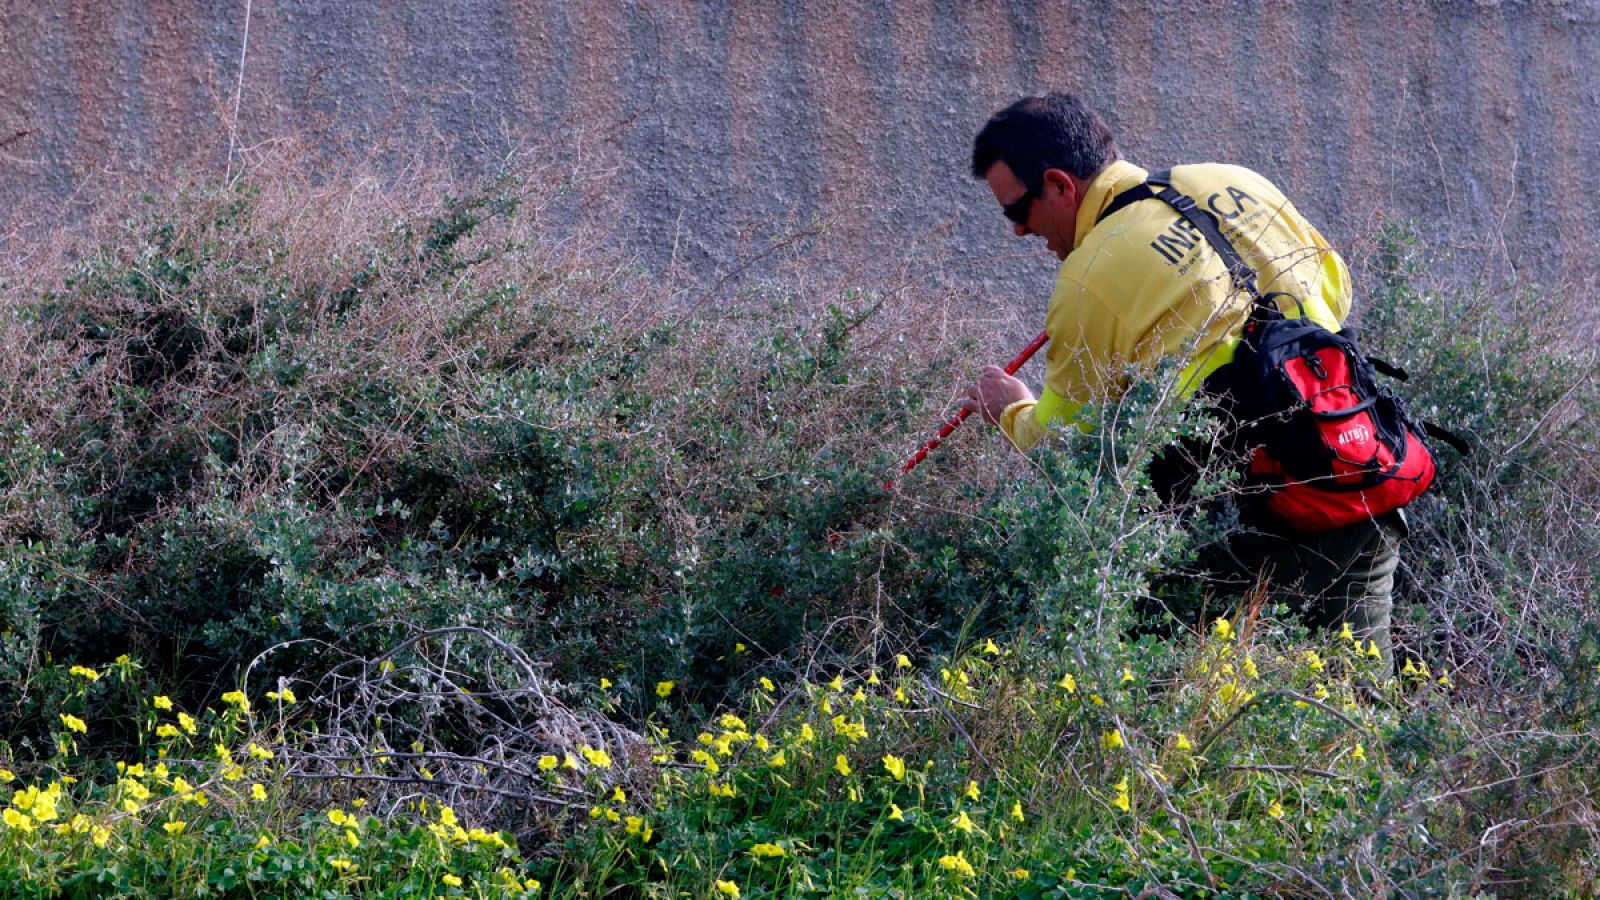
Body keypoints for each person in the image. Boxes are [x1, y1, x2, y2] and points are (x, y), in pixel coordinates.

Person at [957, 92, 1402, 665]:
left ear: (1060, 185)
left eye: (1017, 211)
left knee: (1196, 710)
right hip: (1356, 469)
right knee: (1362, 699)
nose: (1020, 232)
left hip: (1238, 528)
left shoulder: (1089, 278)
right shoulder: (1234, 180)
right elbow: (1335, 290)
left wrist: (1012, 410)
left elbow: (1071, 448)